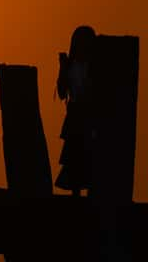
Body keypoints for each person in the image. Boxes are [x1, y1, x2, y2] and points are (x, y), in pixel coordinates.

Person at [55, 25, 96, 196]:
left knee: (90, 154)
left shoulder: (95, 66)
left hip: (90, 113)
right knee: (74, 155)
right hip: (75, 113)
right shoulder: (70, 65)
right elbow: (62, 93)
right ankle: (76, 193)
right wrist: (62, 69)